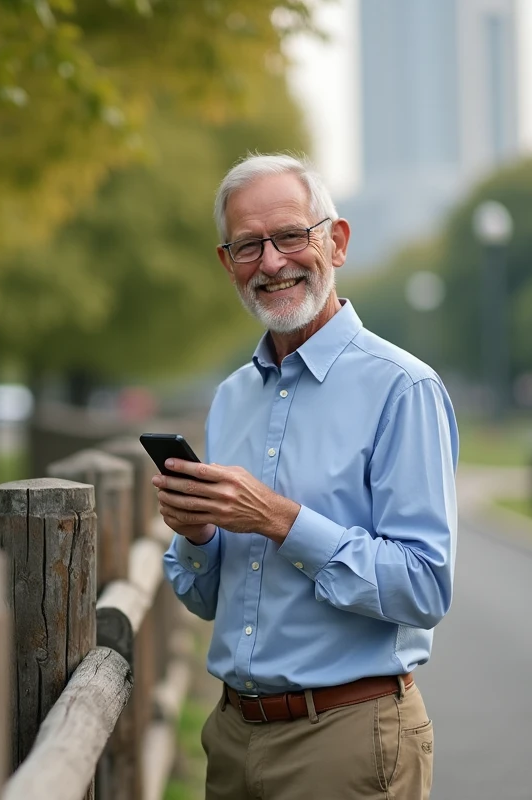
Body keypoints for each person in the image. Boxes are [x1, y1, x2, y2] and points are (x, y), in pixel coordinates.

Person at [158, 153, 458, 800]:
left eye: (291, 235)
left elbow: (425, 588)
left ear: (336, 241)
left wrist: (278, 520)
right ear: (226, 263)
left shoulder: (403, 389)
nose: (271, 263)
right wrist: (200, 535)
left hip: (347, 741)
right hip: (232, 739)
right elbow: (205, 599)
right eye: (248, 246)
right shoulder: (232, 397)